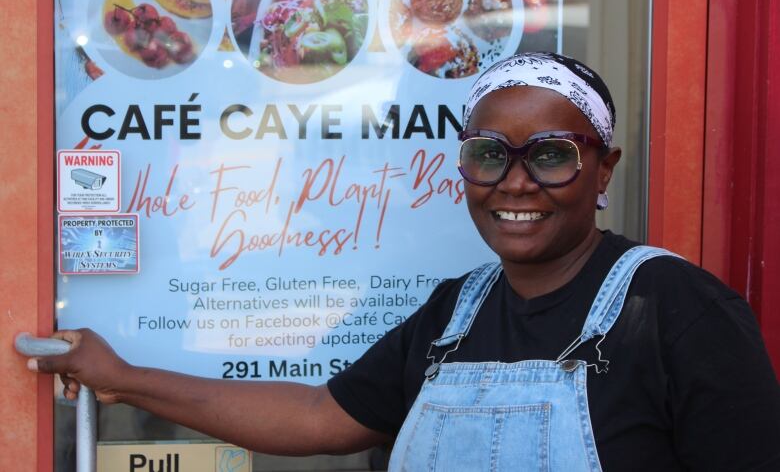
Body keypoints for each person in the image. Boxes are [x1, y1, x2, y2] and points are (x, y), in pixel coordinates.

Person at [25, 52, 780, 471]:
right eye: (489, 155)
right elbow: (320, 417)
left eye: (550, 155)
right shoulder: (457, 312)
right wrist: (122, 378)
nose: (515, 182)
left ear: (604, 169)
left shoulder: (676, 311)